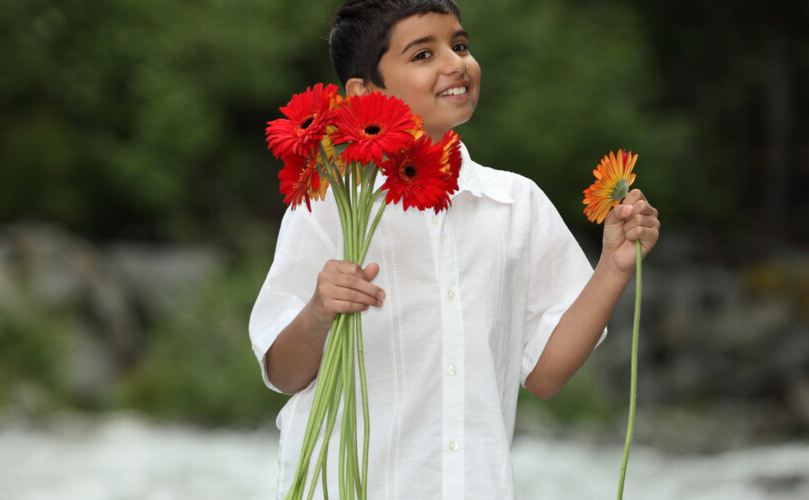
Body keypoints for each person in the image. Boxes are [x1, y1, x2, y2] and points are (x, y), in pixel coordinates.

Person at [249, 0, 661, 498]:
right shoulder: (330, 201)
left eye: (460, 45)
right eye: (423, 55)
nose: (455, 63)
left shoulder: (516, 204)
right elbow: (282, 371)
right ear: (364, 92)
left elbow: (545, 374)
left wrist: (613, 268)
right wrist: (318, 311)